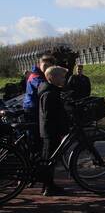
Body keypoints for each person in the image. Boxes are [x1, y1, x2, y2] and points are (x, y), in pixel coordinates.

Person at [37, 65, 70, 196]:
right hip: (51, 131)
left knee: (49, 159)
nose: (64, 79)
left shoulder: (49, 90)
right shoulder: (50, 93)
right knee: (50, 159)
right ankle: (48, 187)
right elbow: (50, 115)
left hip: (48, 130)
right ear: (52, 78)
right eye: (62, 77)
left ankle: (48, 184)